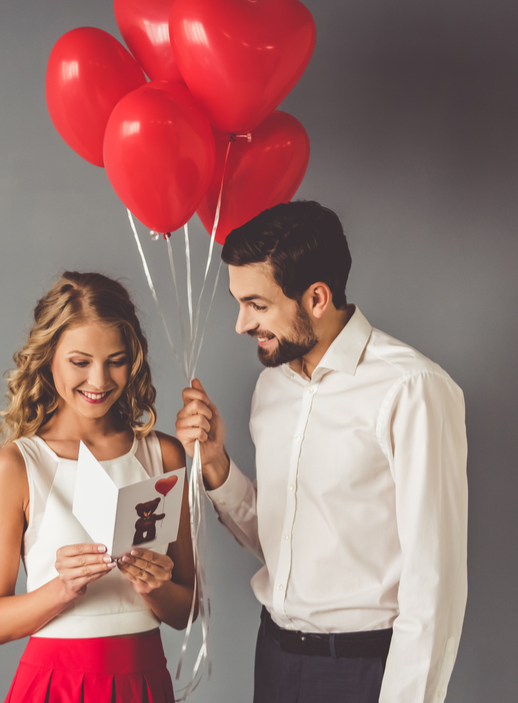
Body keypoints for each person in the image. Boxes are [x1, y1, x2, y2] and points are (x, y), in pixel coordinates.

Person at [175, 202, 468, 703]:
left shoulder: (411, 389)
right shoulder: (272, 388)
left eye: (257, 305)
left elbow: (434, 584)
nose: (241, 324)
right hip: (274, 660)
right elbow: (283, 543)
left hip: (365, 674)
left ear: (316, 297)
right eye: (238, 303)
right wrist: (216, 465)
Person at [0, 271, 195, 703]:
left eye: (115, 360)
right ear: (48, 357)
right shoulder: (18, 465)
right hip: (56, 683)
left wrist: (155, 587)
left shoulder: (163, 456)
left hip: (143, 680)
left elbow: (184, 608)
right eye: (80, 362)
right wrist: (63, 588)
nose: (98, 381)